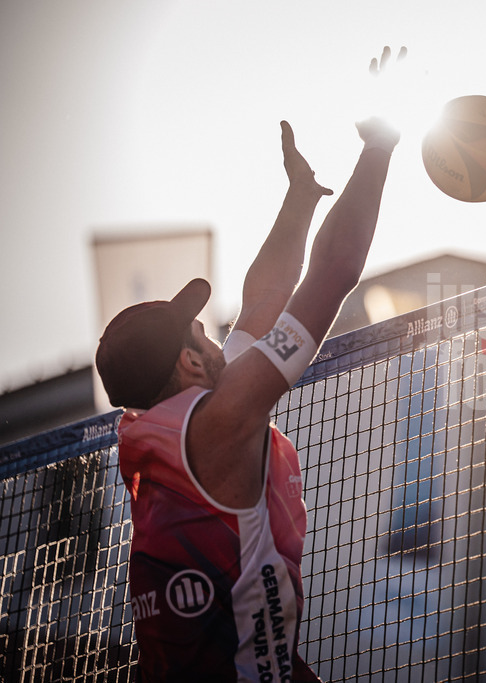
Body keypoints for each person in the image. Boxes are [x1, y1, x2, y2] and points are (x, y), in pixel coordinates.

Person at [94, 49, 403, 682]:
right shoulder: (221, 421)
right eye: (201, 333)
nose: (219, 338)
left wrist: (300, 199)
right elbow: (334, 274)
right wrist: (378, 147)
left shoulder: (177, 425)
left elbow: (263, 300)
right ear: (188, 359)